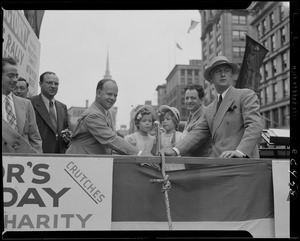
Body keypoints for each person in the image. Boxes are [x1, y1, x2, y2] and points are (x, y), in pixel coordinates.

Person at [162, 55, 263, 159]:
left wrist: (240, 151)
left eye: (227, 71)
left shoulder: (245, 95)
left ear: (232, 75)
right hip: (219, 163)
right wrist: (175, 150)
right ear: (211, 78)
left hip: (243, 164)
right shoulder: (210, 109)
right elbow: (197, 133)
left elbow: (255, 125)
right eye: (218, 71)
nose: (223, 74)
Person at [66, 78, 142, 155]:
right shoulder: (93, 115)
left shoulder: (106, 111)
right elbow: (112, 140)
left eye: (115, 95)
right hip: (79, 162)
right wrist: (140, 154)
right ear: (98, 93)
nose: (112, 98)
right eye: (109, 94)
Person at [2, 57, 42, 153]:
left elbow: (34, 137)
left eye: (16, 76)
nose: (15, 80)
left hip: (21, 162)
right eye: (11, 76)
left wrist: (38, 158)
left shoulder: (26, 104)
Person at [28, 71, 72, 153]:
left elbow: (67, 128)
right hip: (38, 155)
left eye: (56, 84)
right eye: (49, 83)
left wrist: (68, 136)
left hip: (59, 157)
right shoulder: (29, 103)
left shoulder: (62, 107)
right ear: (40, 84)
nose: (53, 86)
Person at [183, 84, 212, 157]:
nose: (189, 101)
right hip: (191, 164)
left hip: (202, 165)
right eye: (187, 98)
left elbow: (191, 142)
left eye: (193, 98)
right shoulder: (192, 114)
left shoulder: (206, 115)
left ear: (201, 100)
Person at [158, 105, 185, 171]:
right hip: (164, 169)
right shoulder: (160, 137)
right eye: (163, 119)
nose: (164, 121)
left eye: (167, 119)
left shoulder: (181, 136)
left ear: (175, 121)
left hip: (178, 168)